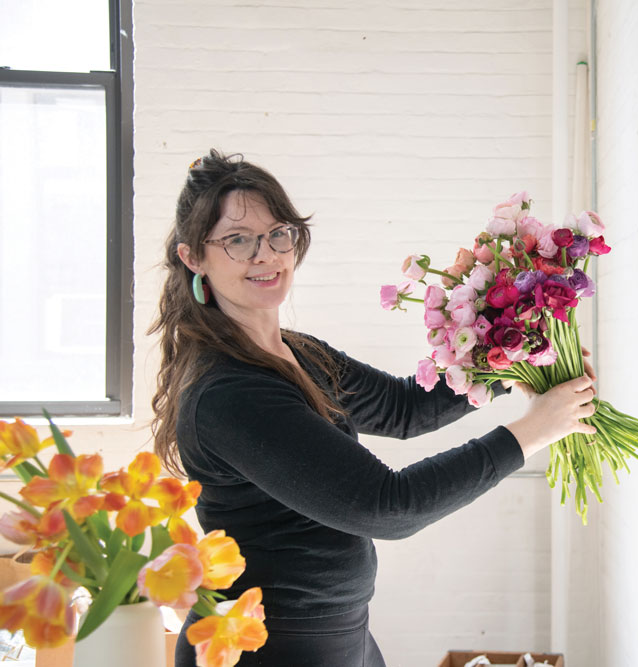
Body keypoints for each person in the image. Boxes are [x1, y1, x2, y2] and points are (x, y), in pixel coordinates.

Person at [149, 149, 598, 667]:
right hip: (271, 650)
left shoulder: (299, 352)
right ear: (193, 258)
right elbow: (389, 506)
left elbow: (404, 408)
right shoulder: (229, 393)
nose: (265, 254)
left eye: (278, 233)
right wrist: (533, 432)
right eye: (237, 240)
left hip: (344, 637)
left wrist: (511, 361)